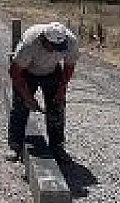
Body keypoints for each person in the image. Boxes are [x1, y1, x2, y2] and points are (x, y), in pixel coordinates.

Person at [7, 21, 79, 162]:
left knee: (57, 108)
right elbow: (14, 72)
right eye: (53, 47)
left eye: (60, 48)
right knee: (20, 107)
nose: (56, 51)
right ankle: (15, 146)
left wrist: (61, 90)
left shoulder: (70, 42)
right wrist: (28, 98)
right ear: (44, 40)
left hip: (52, 72)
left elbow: (69, 67)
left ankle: (57, 146)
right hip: (27, 71)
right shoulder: (29, 43)